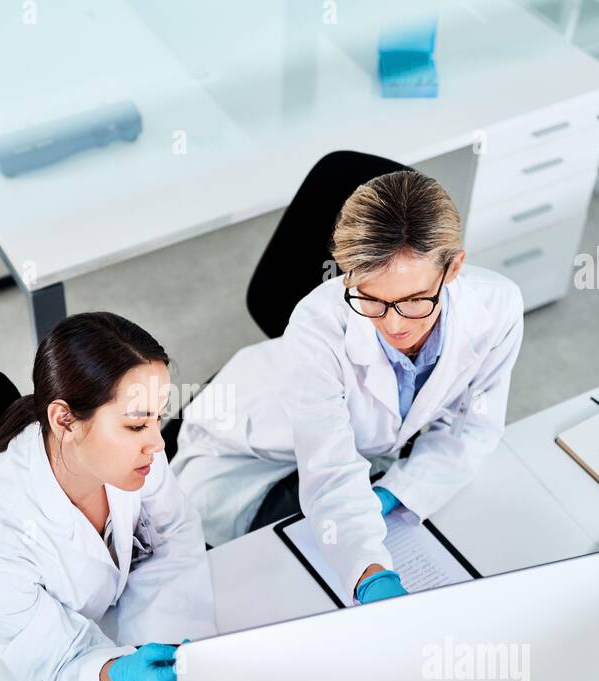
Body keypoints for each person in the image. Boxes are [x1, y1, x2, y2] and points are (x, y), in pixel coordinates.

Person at [172, 169, 523, 605]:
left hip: (360, 447)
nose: (394, 325)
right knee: (284, 581)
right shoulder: (317, 326)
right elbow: (330, 470)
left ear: (454, 268)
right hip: (251, 448)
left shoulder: (497, 307)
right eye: (372, 299)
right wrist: (369, 575)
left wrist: (398, 492)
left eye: (415, 300)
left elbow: (473, 427)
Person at [0, 312, 215, 681]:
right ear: (64, 419)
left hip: (109, 621)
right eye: (137, 424)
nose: (157, 443)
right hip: (5, 671)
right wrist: (120, 677)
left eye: (157, 419)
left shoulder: (132, 458)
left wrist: (162, 646)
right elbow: (55, 663)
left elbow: (173, 537)